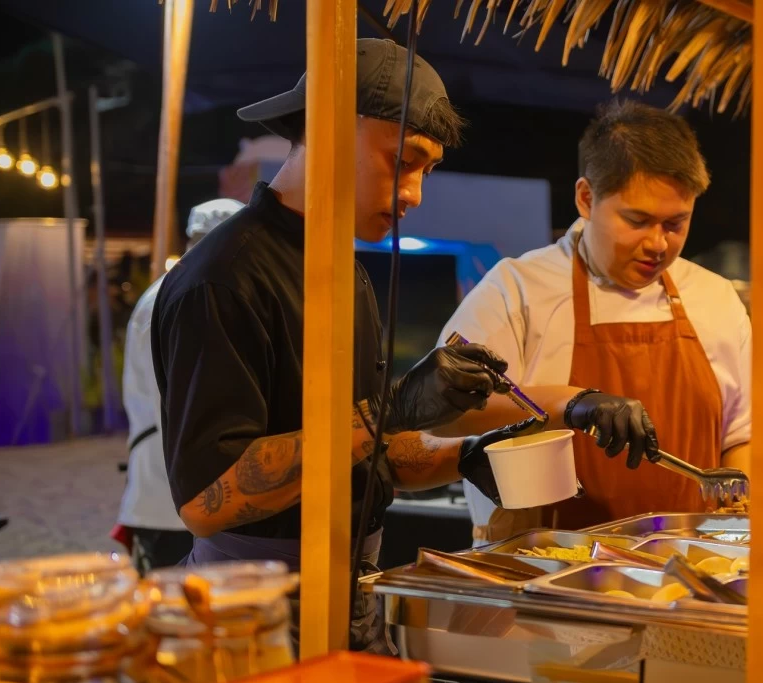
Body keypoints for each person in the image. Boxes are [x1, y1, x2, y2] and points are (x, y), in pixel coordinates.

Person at [151, 38, 531, 647]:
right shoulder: (223, 278)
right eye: (403, 161)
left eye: (426, 171)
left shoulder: (341, 269)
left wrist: (463, 456)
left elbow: (361, 444)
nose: (414, 196)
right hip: (257, 610)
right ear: (330, 130)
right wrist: (392, 408)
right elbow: (204, 498)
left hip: (354, 587)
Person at [436, 100, 752, 542]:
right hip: (543, 568)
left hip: (689, 568)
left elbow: (743, 434)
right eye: (637, 221)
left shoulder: (714, 298)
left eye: (676, 224)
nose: (658, 244)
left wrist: (738, 499)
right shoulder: (518, 289)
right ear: (587, 198)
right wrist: (572, 402)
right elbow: (442, 412)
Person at [115, 198, 245, 574]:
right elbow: (194, 409)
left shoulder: (173, 290)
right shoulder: (190, 296)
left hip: (169, 496)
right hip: (174, 501)